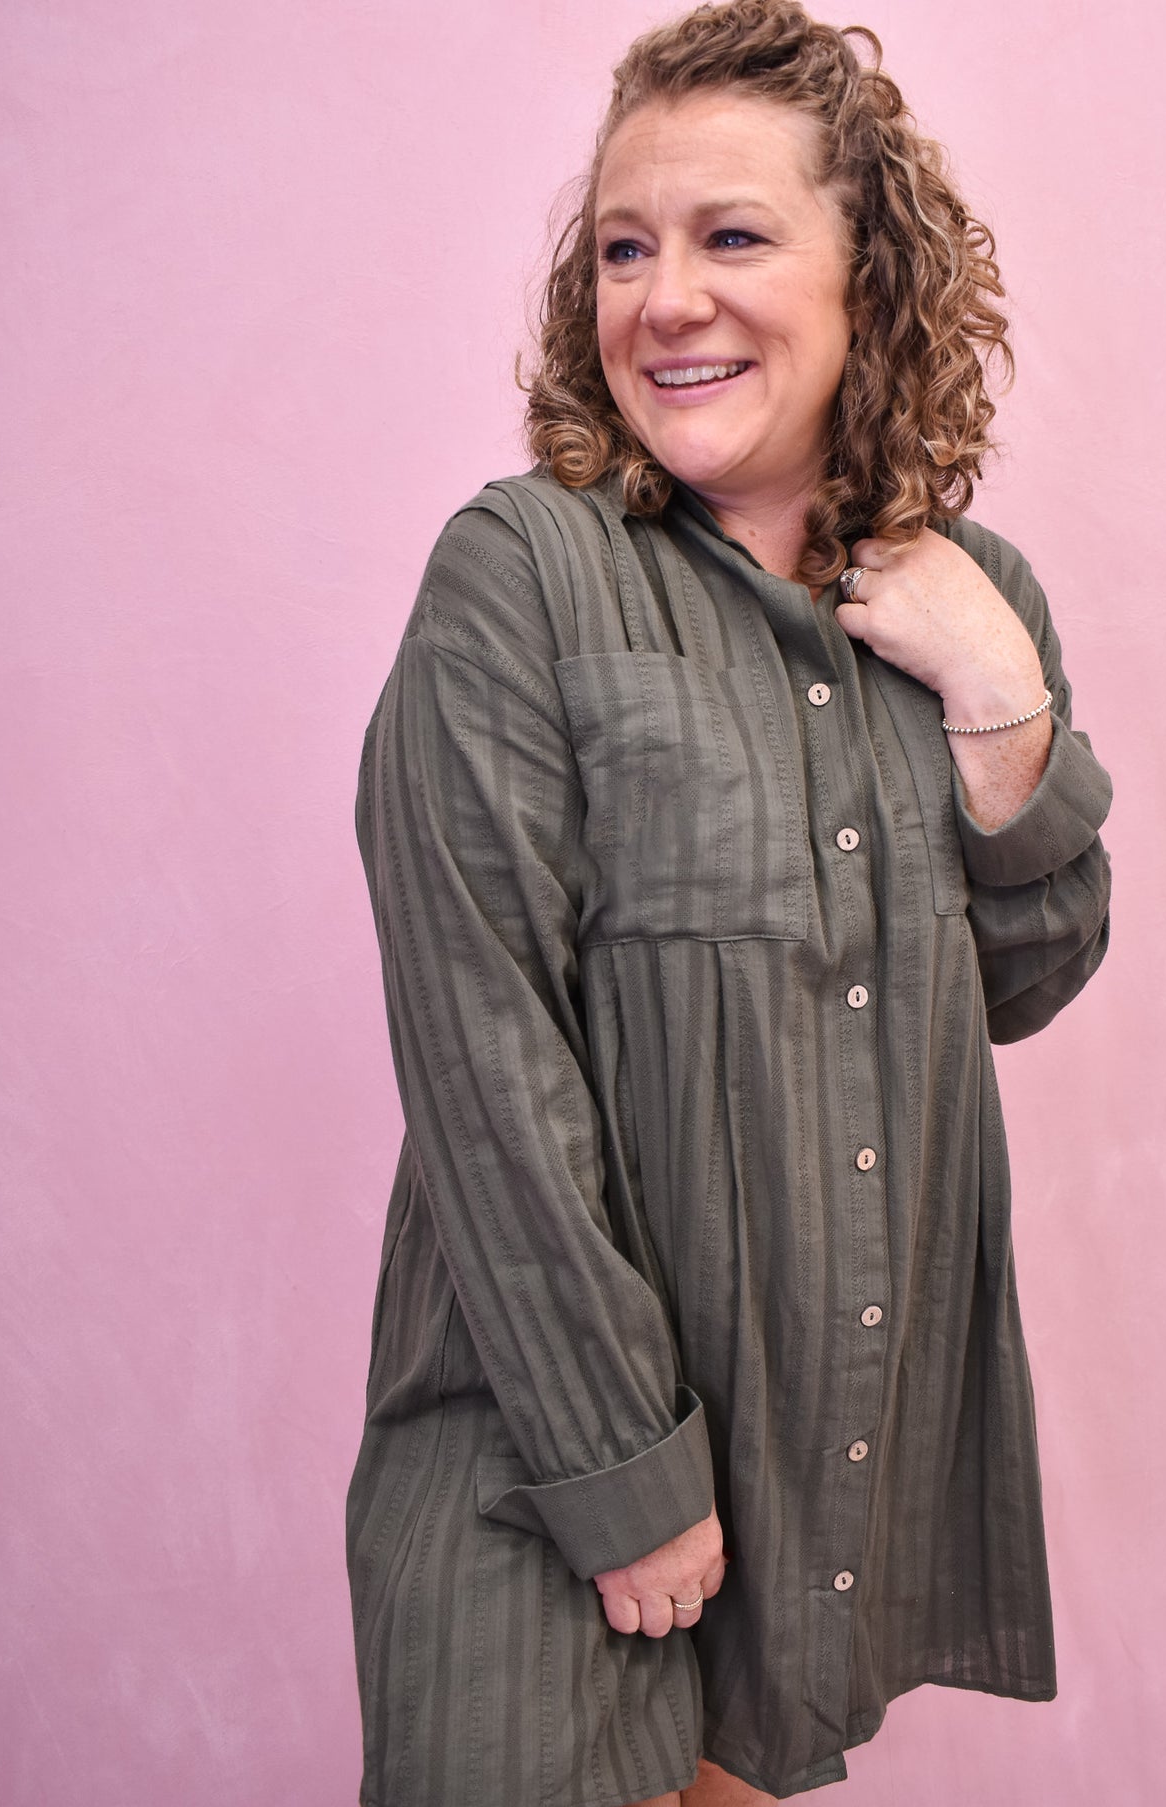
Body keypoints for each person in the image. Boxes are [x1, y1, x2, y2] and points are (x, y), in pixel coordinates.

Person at [344, 1, 1113, 1802]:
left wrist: (1003, 707)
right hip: (550, 1466)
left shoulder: (965, 592)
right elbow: (478, 1049)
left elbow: (1029, 971)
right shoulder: (520, 574)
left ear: (872, 281)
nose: (663, 298)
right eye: (623, 246)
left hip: (821, 1456)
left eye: (731, 235)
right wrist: (623, 1463)